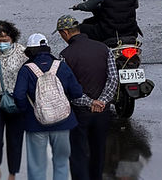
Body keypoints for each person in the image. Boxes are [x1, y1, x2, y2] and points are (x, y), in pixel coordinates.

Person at [13, 33, 100, 180]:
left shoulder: (26, 70)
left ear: (30, 51)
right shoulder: (62, 66)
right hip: (63, 122)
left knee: (37, 166)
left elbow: (18, 95)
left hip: (36, 124)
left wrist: (26, 111)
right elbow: (77, 92)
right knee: (61, 163)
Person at [55, 16, 118, 180]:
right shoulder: (104, 48)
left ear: (66, 32)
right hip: (103, 112)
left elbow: (66, 87)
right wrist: (102, 101)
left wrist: (89, 102)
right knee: (98, 151)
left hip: (78, 113)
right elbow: (113, 78)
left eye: (61, 34)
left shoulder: (65, 55)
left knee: (78, 153)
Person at [0, 21, 27, 180]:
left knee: (15, 141)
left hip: (16, 104)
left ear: (12, 37)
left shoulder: (22, 53)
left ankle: (12, 174)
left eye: (5, 39)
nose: (2, 43)